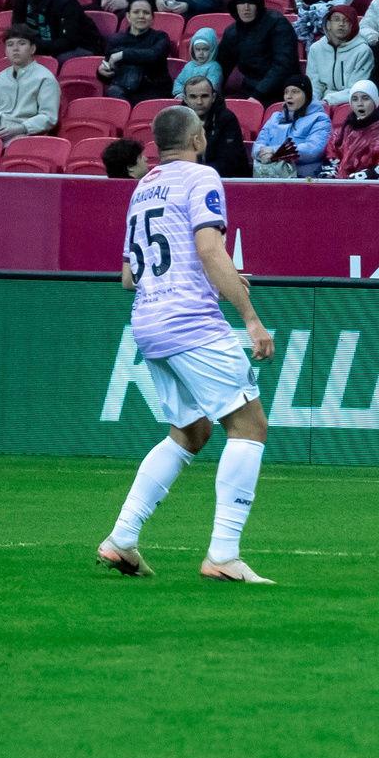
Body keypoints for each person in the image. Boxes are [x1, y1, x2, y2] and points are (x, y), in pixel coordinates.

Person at [96, 102, 279, 586]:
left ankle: (121, 538)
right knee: (249, 426)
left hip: (148, 321)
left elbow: (128, 276)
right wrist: (251, 319)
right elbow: (208, 248)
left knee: (191, 431)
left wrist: (212, 275)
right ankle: (224, 554)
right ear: (197, 139)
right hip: (190, 321)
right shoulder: (202, 177)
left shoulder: (142, 188)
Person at [251, 79, 331, 178]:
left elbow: (314, 149)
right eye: (286, 92)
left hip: (302, 178)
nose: (289, 96)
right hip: (269, 174)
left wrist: (276, 152)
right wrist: (260, 153)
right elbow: (259, 142)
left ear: (307, 96)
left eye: (295, 92)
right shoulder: (275, 117)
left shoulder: (319, 118)